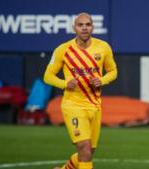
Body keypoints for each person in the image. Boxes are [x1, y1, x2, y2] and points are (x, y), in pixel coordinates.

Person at [43, 12, 117, 169]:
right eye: (80, 25)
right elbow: (48, 76)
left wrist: (102, 80)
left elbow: (113, 71)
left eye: (87, 24)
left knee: (88, 151)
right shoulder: (63, 50)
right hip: (73, 105)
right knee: (84, 148)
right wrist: (64, 83)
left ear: (92, 27)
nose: (84, 28)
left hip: (94, 105)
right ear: (74, 28)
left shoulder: (103, 47)